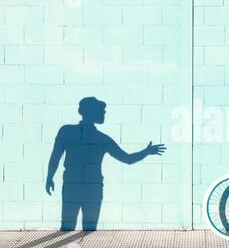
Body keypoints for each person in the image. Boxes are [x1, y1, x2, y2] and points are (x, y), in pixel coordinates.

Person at [45, 97, 166, 231]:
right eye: (101, 111)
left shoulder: (67, 131)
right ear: (90, 112)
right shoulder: (101, 138)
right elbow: (127, 159)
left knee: (68, 227)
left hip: (73, 185)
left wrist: (49, 178)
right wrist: (146, 152)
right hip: (91, 187)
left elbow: (55, 157)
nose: (103, 114)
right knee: (88, 229)